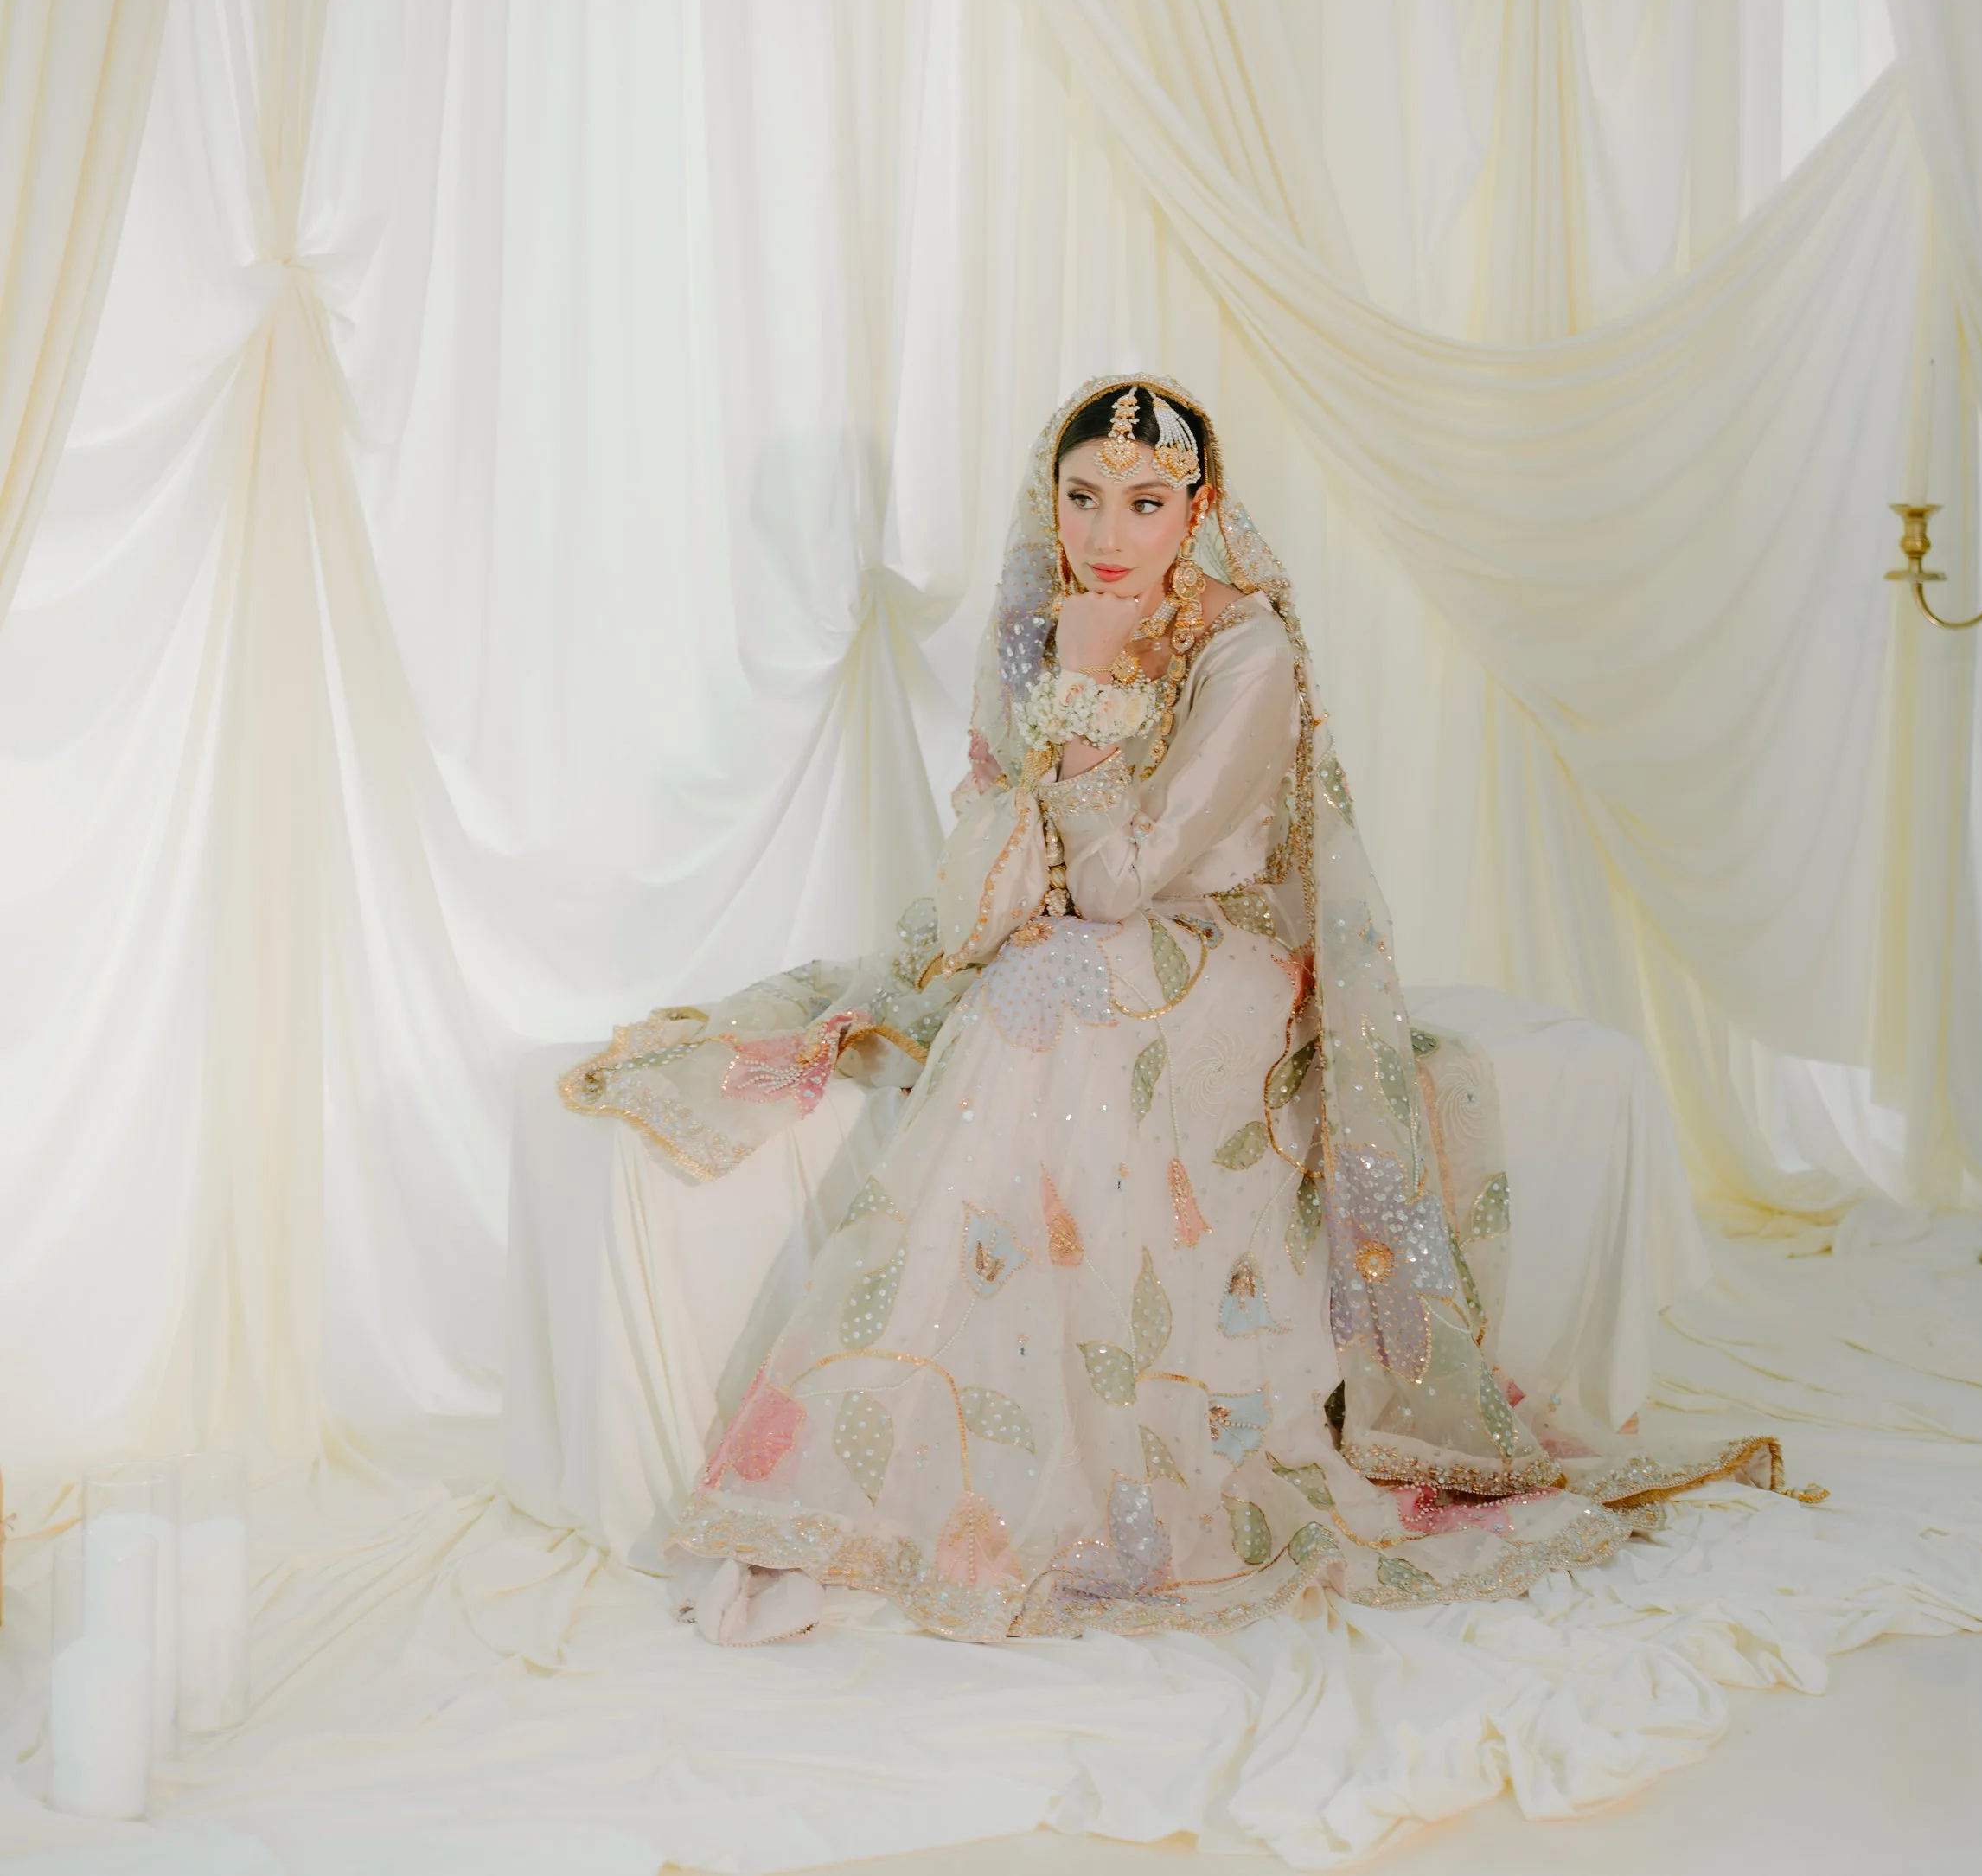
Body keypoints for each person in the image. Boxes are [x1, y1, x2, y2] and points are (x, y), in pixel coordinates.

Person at [565, 376, 1777, 1646]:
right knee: (1030, 994)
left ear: (1196, 508)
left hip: (1229, 961)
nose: (1109, 532)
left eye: (1146, 501)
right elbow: (991, 822)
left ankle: (950, 1475)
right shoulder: (1040, 619)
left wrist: (1083, 706)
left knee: (1045, 997)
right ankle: (883, 1468)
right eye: (1083, 497)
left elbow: (1126, 880)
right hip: (1081, 944)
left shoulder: (1248, 650)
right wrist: (1043, 755)